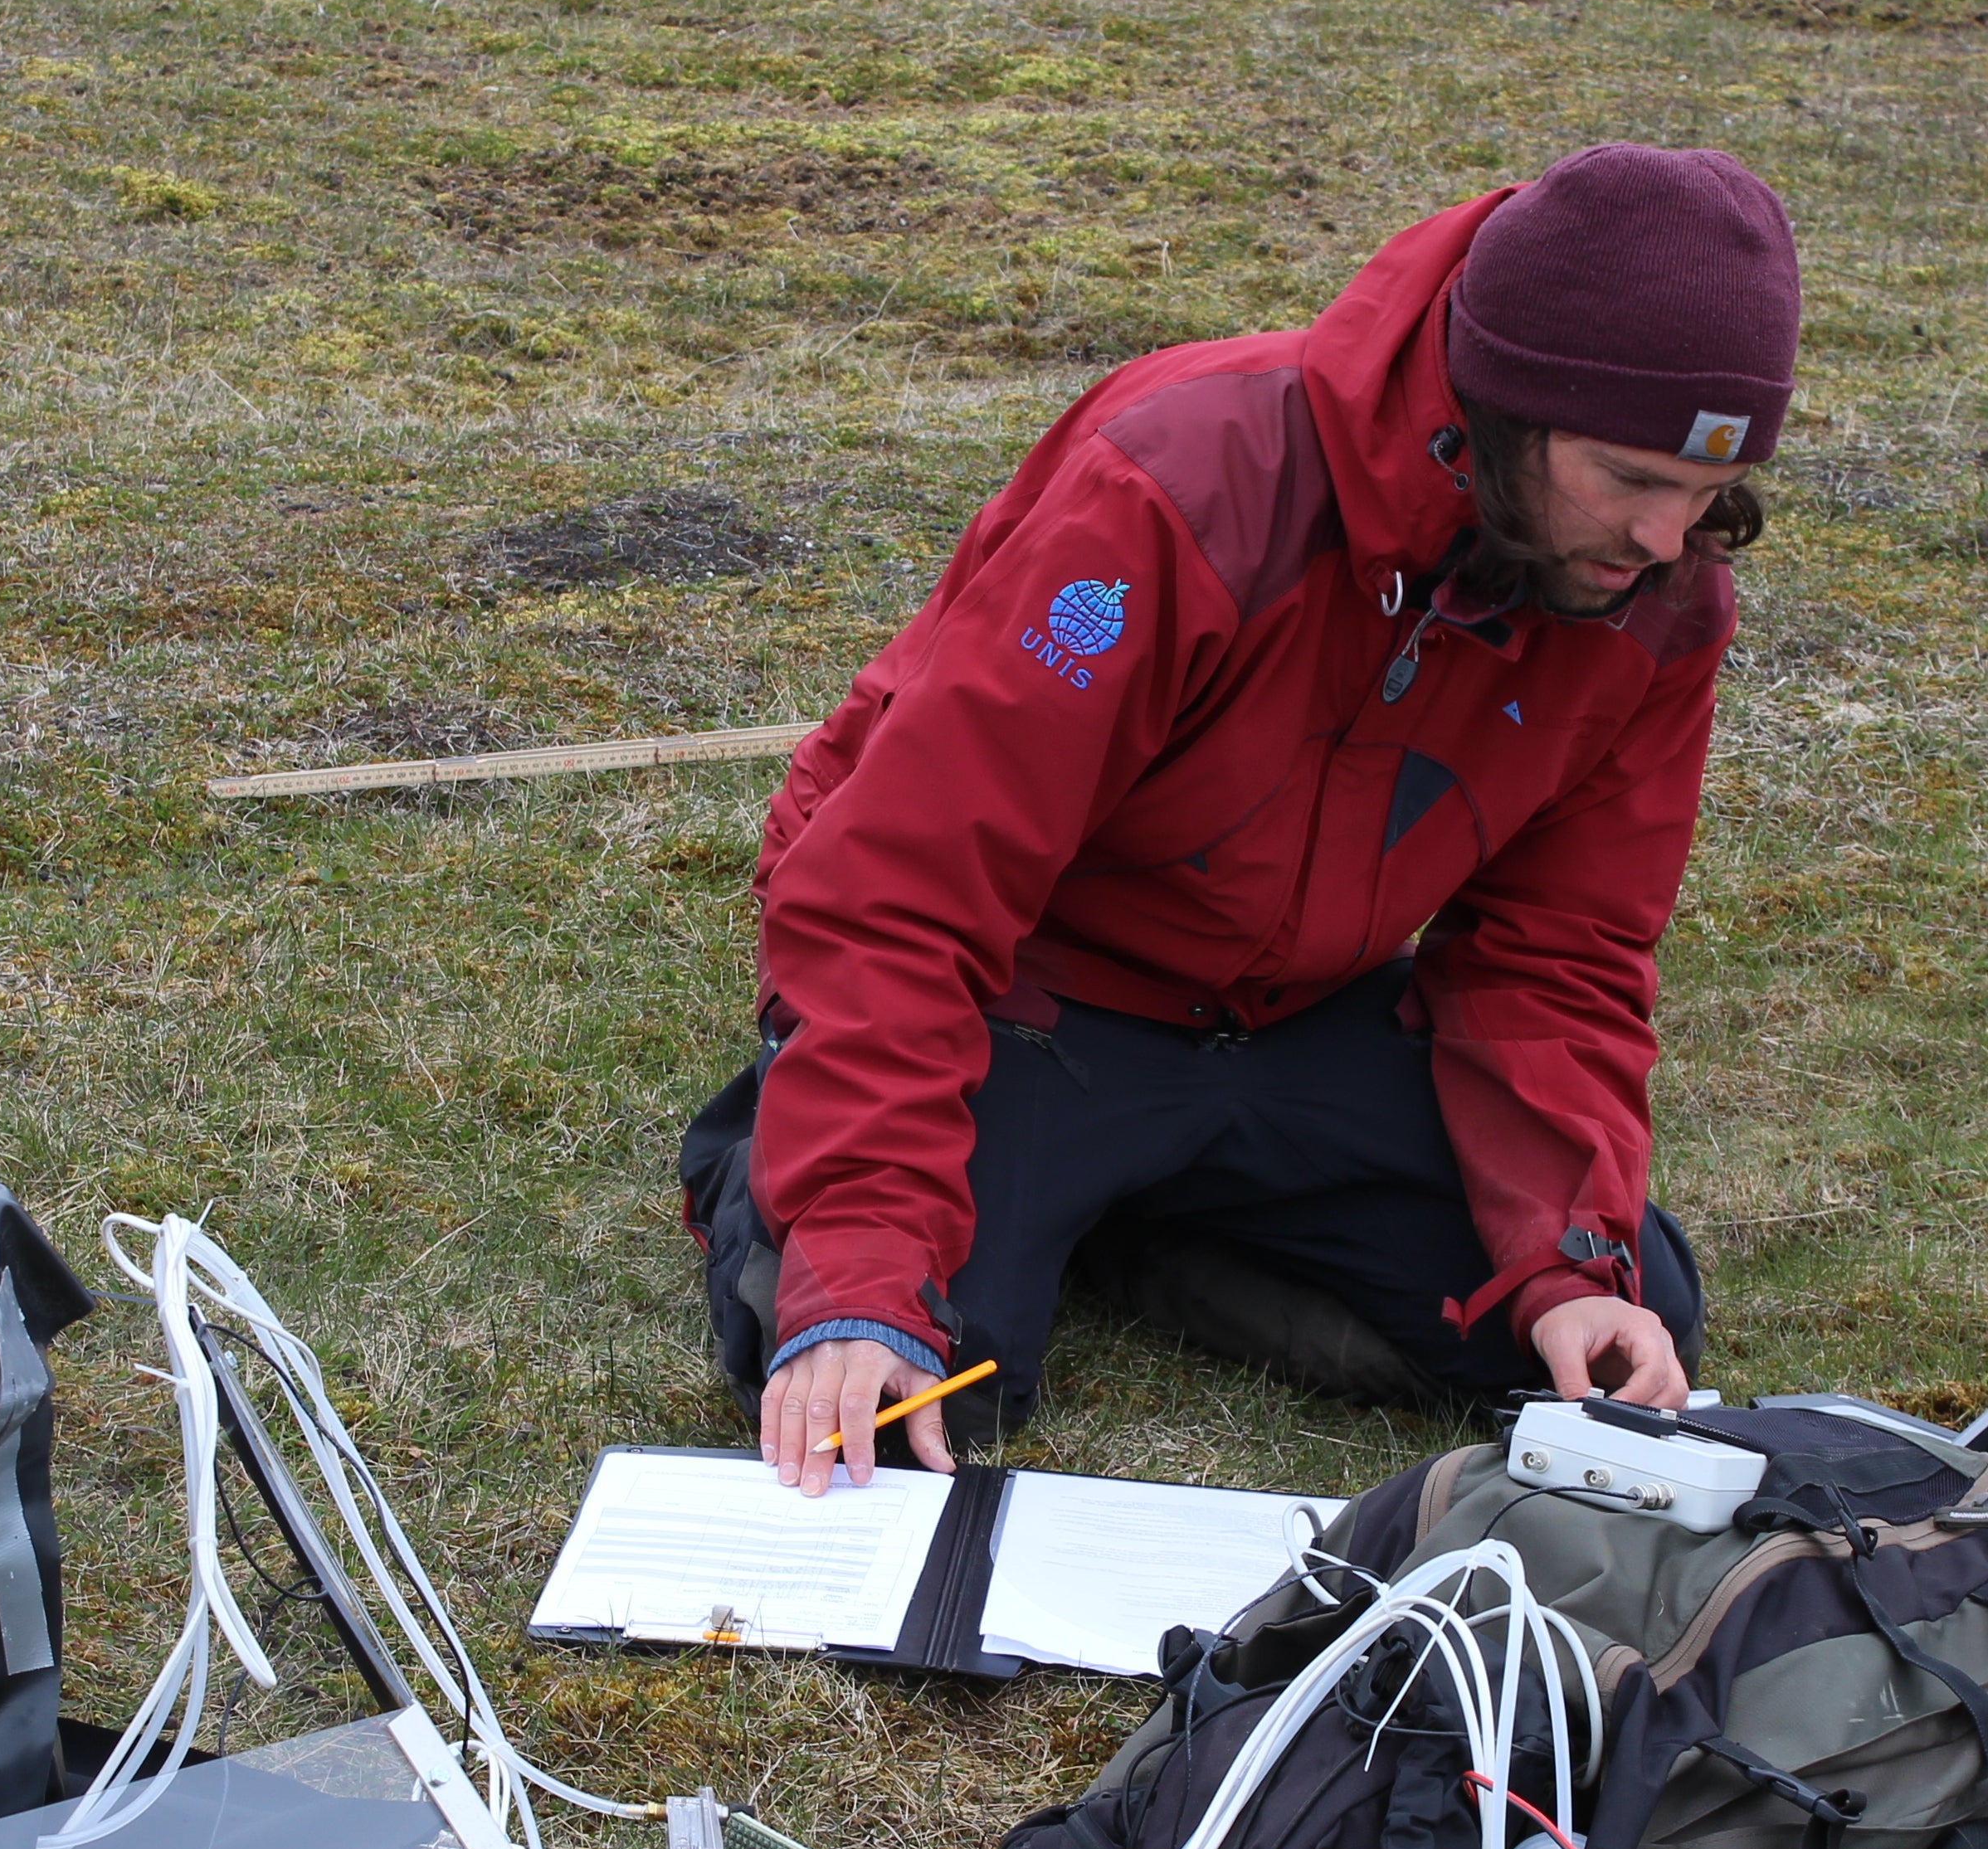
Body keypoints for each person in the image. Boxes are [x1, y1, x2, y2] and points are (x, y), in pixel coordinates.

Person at [680, 142, 1796, 1491]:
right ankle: (788, 1153)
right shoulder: (1184, 482)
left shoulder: (1655, 600)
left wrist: (1572, 1268)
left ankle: (1126, 1211)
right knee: (907, 1393)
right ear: (1504, 409)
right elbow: (905, 884)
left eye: (1705, 495)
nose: (1666, 540)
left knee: (1607, 1337)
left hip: (1276, 1019)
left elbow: (1561, 955)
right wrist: (858, 1255)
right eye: (1630, 478)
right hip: (1036, 994)